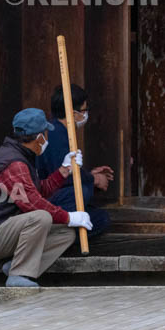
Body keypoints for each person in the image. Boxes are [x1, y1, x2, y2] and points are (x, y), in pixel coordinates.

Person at [0, 108, 91, 287]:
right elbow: (33, 203)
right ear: (39, 138)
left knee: (65, 234)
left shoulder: (22, 155)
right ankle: (19, 275)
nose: (46, 139)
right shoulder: (13, 162)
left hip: (11, 228)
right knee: (41, 216)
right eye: (45, 134)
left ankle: (15, 266)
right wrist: (69, 216)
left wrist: (64, 170)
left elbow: (38, 190)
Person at [35, 84, 113, 237]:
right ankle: (61, 236)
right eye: (84, 111)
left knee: (100, 217)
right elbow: (62, 176)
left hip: (55, 197)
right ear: (73, 113)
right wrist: (94, 179)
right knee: (82, 194)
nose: (85, 115)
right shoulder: (56, 134)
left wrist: (88, 175)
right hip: (48, 200)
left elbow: (69, 170)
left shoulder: (60, 131)